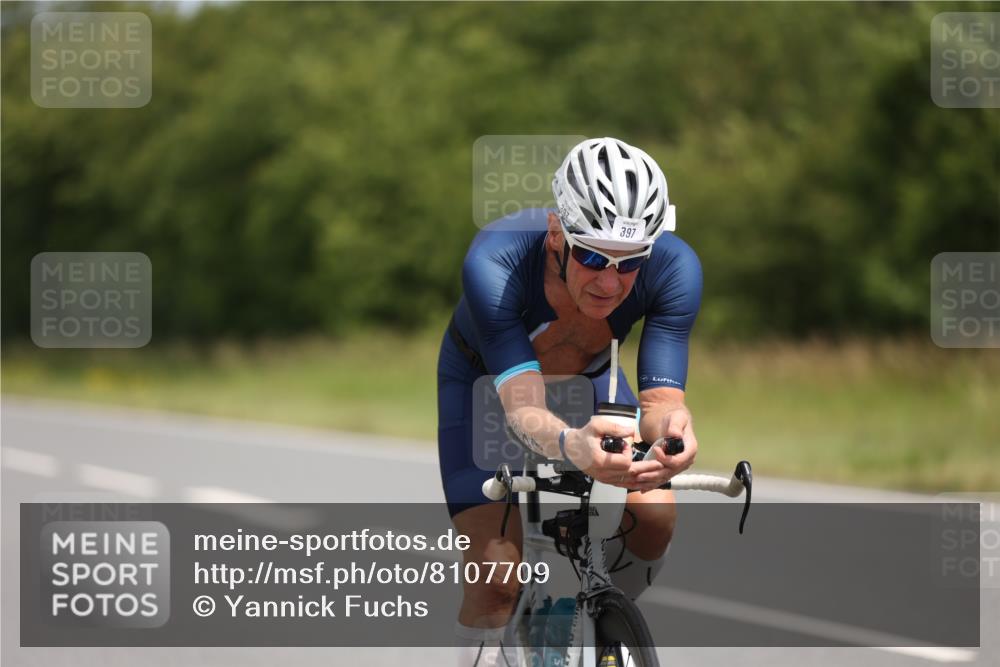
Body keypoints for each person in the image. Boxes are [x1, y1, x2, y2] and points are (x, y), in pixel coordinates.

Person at [439, 137, 702, 665]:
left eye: (630, 263)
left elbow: (660, 401)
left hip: (592, 380)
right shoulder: (496, 258)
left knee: (655, 516)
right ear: (557, 232)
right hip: (487, 385)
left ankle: (600, 611)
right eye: (592, 256)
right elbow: (523, 409)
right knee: (495, 579)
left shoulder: (676, 268)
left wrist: (674, 434)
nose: (609, 282)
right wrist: (570, 443)